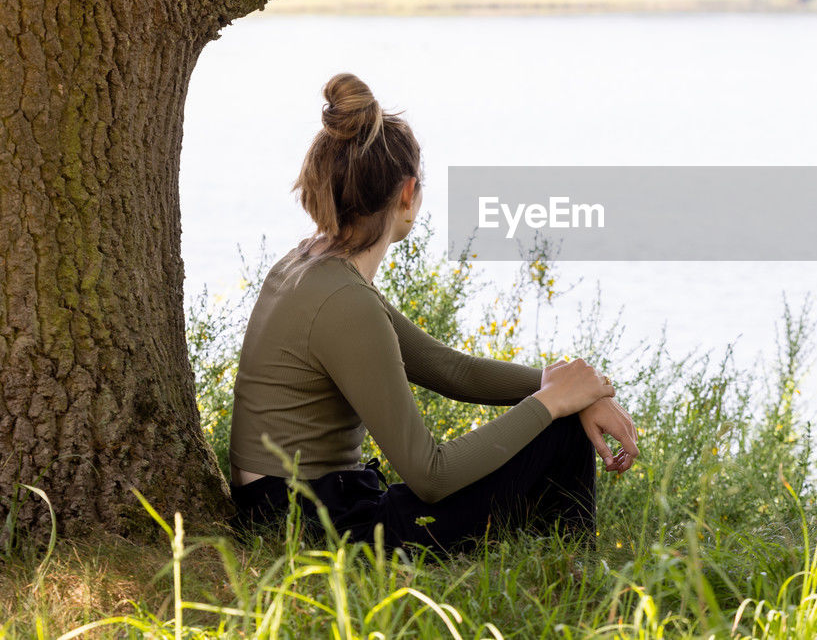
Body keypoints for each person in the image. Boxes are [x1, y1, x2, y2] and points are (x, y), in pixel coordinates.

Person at [226, 73, 639, 554]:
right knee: (560, 432)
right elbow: (431, 475)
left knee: (561, 417)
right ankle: (574, 576)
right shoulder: (343, 300)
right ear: (408, 193)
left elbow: (449, 370)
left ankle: (557, 565)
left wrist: (569, 385)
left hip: (294, 508)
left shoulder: (310, 265)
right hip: (317, 524)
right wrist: (553, 403)